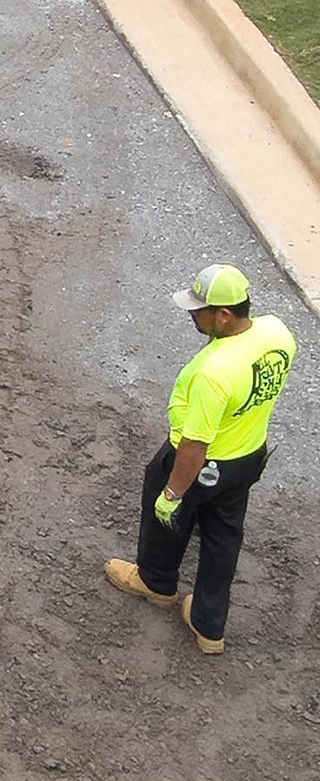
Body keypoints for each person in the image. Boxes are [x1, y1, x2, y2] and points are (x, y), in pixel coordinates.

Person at [106, 264, 298, 654]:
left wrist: (172, 493)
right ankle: (209, 627)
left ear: (223, 315)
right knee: (223, 537)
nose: (191, 315)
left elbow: (195, 445)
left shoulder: (214, 372)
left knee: (166, 512)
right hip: (247, 456)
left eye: (199, 310)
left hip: (203, 462)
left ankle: (156, 583)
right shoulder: (277, 333)